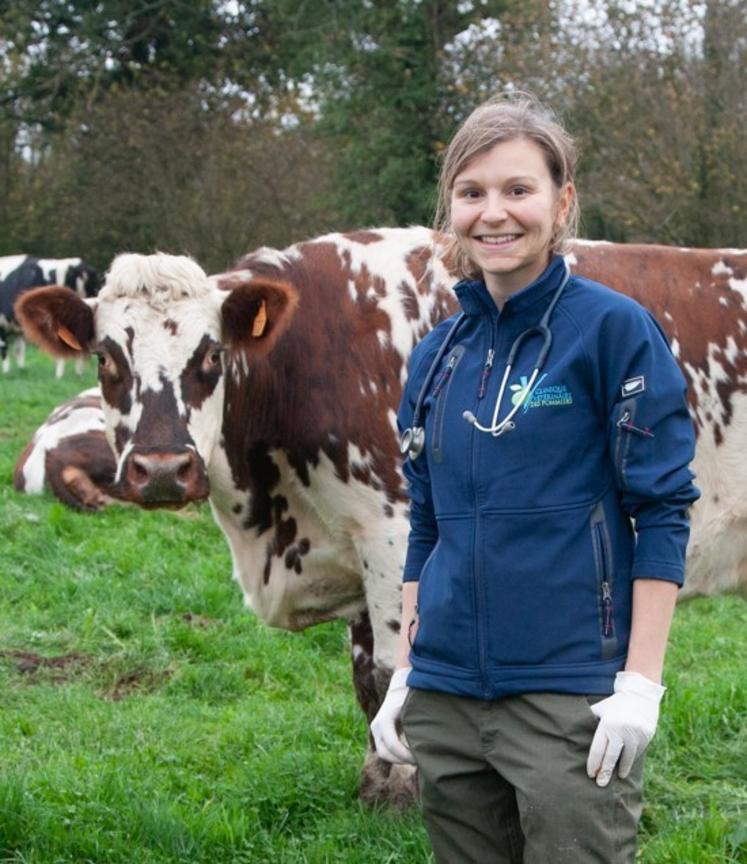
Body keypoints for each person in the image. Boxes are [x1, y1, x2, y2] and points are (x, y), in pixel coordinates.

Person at [371, 93, 699, 864]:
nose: (494, 213)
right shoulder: (436, 354)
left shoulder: (612, 330)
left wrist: (638, 686)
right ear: (449, 209)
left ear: (561, 202)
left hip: (568, 695)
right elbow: (426, 523)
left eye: (518, 190)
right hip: (447, 698)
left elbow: (660, 511)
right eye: (471, 192)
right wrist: (408, 671)